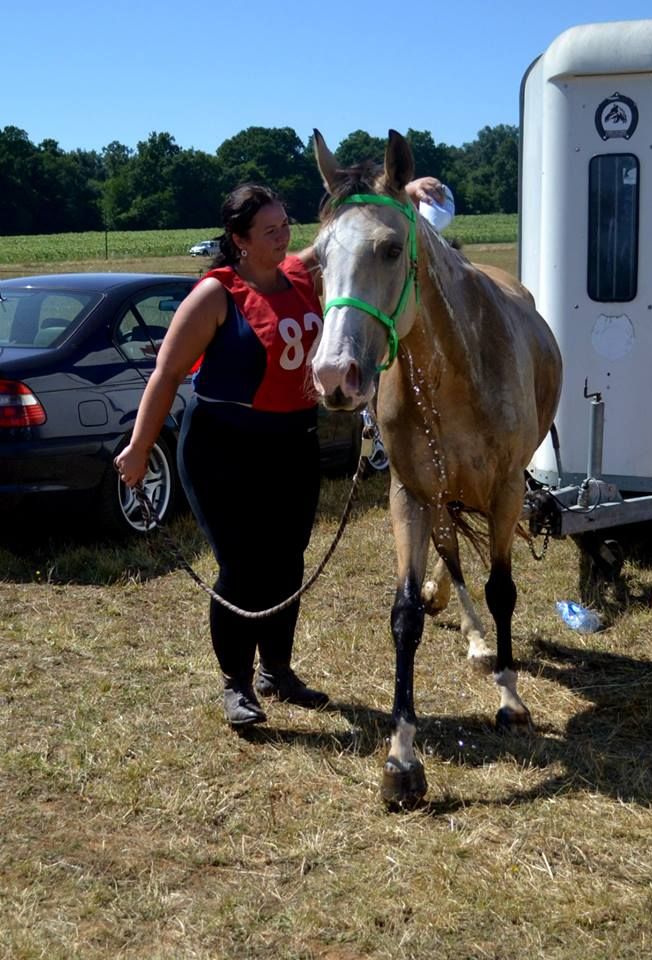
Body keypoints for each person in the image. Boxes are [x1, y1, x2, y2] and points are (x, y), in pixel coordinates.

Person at [114, 174, 446, 728]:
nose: (283, 236)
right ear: (239, 240)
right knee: (242, 567)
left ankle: (277, 670)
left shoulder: (298, 275)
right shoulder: (215, 295)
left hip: (292, 443)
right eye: (269, 230)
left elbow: (355, 227)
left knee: (288, 561)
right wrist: (139, 448)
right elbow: (167, 374)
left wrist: (400, 190)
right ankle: (236, 683)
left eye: (285, 225)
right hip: (224, 446)